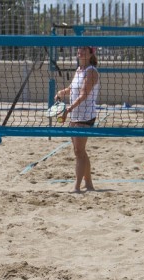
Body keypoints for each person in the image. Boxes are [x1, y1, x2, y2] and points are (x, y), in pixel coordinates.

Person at [54, 46, 100, 193]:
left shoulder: (91, 71)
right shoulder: (79, 69)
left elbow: (83, 94)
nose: (80, 52)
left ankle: (77, 187)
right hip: (76, 114)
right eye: (79, 49)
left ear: (91, 54)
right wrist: (63, 92)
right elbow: (73, 89)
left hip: (85, 115)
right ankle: (89, 184)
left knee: (79, 151)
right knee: (79, 151)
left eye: (84, 50)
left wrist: (68, 109)